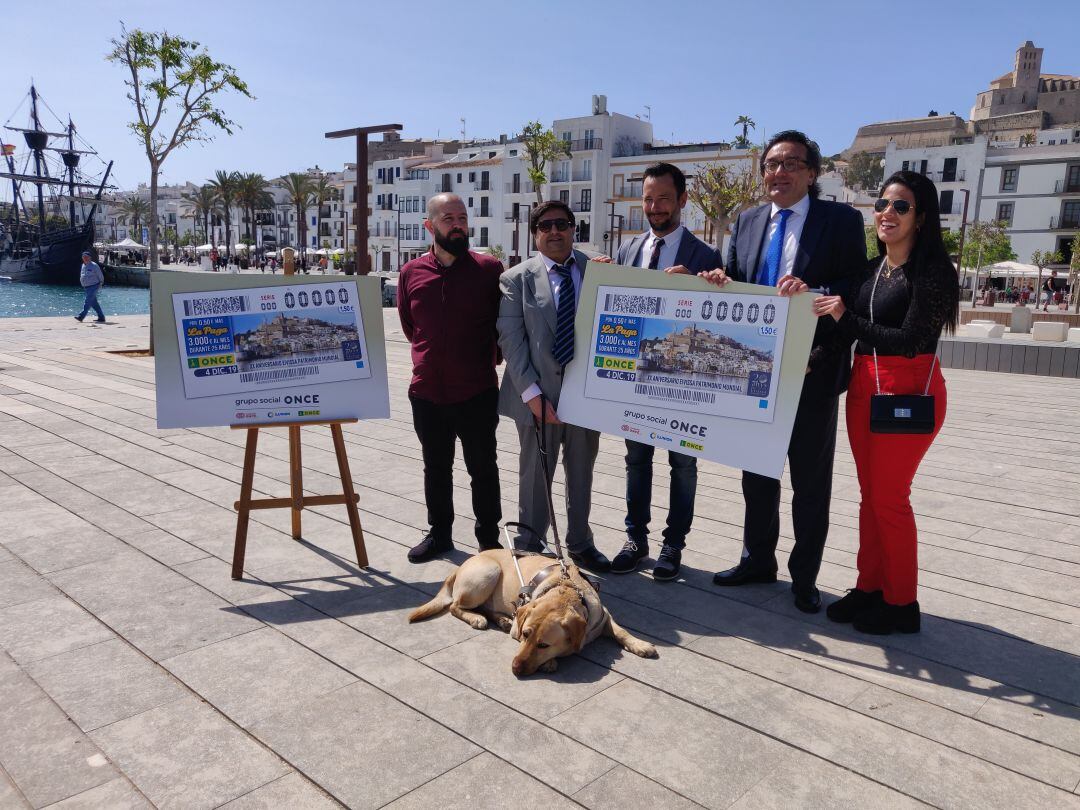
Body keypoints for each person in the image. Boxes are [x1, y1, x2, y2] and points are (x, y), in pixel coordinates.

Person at [703, 130, 866, 614]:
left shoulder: (839, 220)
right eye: (771, 164)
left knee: (810, 483)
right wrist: (718, 281)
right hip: (755, 374)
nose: (779, 172)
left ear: (812, 173)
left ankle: (805, 577)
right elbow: (735, 279)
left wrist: (813, 287)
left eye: (790, 163)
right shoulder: (748, 221)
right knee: (756, 475)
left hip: (812, 371)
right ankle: (757, 560)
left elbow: (857, 282)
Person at [812, 170, 958, 634]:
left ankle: (902, 603)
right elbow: (841, 334)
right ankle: (870, 587)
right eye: (881, 205)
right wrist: (806, 362)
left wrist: (844, 316)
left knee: (890, 499)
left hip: (909, 389)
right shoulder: (873, 272)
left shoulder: (933, 271)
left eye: (900, 206)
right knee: (870, 497)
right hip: (864, 386)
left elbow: (911, 341)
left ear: (921, 217)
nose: (886, 214)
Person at [609, 162, 724, 581]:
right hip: (637, 379)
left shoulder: (705, 256)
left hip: (684, 383)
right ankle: (635, 540)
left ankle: (673, 544)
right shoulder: (627, 251)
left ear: (682, 201)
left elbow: (718, 316)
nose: (655, 207)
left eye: (663, 198)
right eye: (648, 199)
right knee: (635, 461)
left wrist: (699, 283)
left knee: (684, 466)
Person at [497, 200, 611, 573]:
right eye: (545, 226)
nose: (554, 231)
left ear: (573, 229)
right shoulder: (516, 278)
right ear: (535, 234)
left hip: (585, 398)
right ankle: (529, 545)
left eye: (562, 224)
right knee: (534, 477)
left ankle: (580, 542)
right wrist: (532, 395)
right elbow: (511, 342)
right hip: (536, 396)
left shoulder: (598, 271)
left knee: (581, 473)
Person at [397, 193, 505, 563]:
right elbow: (410, 327)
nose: (458, 224)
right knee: (436, 466)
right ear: (429, 226)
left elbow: (503, 325)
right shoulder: (411, 273)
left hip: (476, 389)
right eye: (448, 218)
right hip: (426, 391)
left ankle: (489, 541)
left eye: (462, 217)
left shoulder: (490, 270)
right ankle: (440, 533)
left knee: (483, 467)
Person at [75, 251, 106, 323]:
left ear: (90, 258)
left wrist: (101, 283)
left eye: (86, 257)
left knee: (88, 301)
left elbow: (100, 275)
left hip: (94, 286)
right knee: (94, 303)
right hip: (86, 287)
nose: (85, 258)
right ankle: (101, 317)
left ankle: (81, 316)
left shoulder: (94, 265)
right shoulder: (83, 265)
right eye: (84, 257)